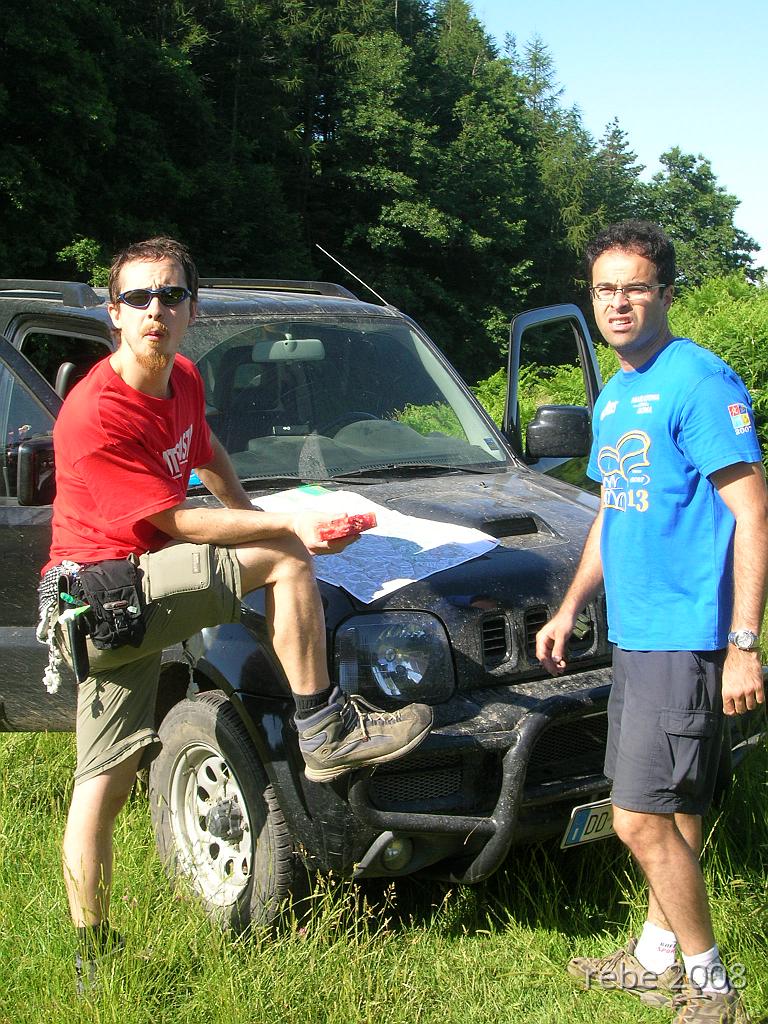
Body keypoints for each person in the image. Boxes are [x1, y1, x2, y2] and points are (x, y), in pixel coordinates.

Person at [40, 236, 432, 988]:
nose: (155, 310)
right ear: (113, 312)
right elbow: (176, 521)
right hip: (106, 596)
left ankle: (92, 957)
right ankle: (323, 731)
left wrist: (249, 513)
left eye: (170, 295)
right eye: (137, 298)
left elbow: (207, 451)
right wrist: (285, 528)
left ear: (193, 308)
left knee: (107, 778)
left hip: (146, 575)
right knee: (105, 783)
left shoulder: (183, 377)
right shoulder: (95, 412)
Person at [536, 221, 767, 1024]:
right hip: (636, 632)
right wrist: (571, 605)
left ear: (665, 293)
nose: (619, 303)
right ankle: (656, 961)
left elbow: (753, 512)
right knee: (673, 806)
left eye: (635, 287)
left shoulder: (697, 382)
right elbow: (613, 510)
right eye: (605, 289)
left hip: (685, 635)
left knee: (637, 818)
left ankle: (713, 988)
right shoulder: (615, 393)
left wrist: (743, 644)